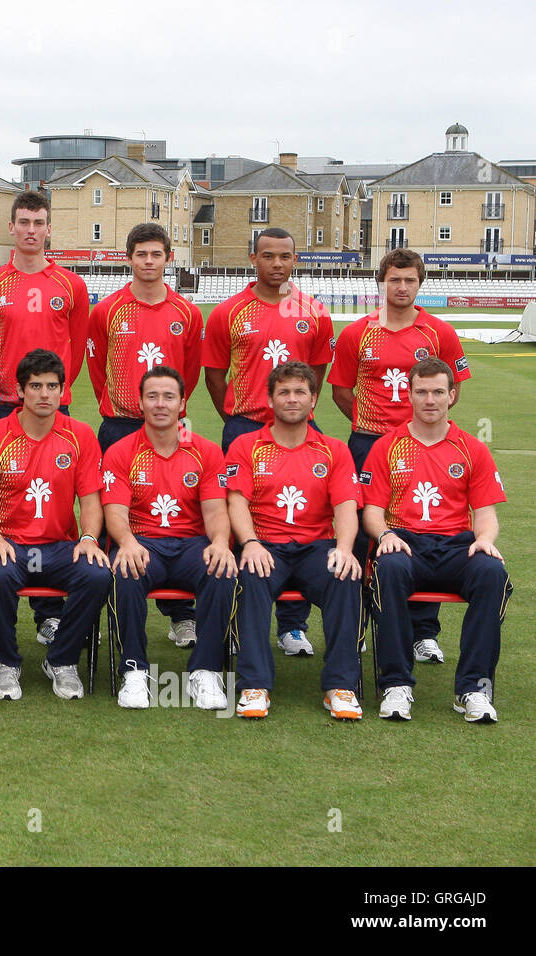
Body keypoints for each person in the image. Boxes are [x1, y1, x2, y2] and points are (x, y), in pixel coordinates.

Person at [329, 248, 472, 664]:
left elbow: (453, 387)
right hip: (368, 441)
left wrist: (421, 428)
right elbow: (341, 389)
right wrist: (371, 425)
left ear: (420, 282)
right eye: (395, 279)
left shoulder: (438, 333)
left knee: (425, 530)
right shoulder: (358, 332)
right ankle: (355, 621)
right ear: (382, 282)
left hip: (423, 446)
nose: (402, 287)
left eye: (410, 279)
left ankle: (422, 632)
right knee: (357, 531)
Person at [203, 227, 335, 657]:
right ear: (252, 257)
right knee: (243, 521)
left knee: (298, 518)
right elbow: (215, 373)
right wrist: (237, 419)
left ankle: (292, 626)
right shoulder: (228, 312)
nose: (277, 263)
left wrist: (294, 413)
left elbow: (315, 372)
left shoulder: (314, 312)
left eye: (285, 256)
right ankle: (243, 618)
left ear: (296, 259)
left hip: (300, 431)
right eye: (268, 256)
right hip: (243, 428)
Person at [363, 358, 508, 723]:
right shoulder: (386, 446)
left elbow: (486, 513)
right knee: (389, 568)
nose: (430, 399)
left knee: (492, 572)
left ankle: (473, 687)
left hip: (456, 545)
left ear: (452, 395)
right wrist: (385, 534)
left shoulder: (472, 448)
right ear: (409, 395)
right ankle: (396, 684)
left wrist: (485, 540)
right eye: (422, 391)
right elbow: (371, 511)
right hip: (405, 542)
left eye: (438, 392)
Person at [0, 191, 89, 645]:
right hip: (2, 403)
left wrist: (49, 395)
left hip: (50, 408)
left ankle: (49, 613)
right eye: (22, 222)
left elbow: (77, 349)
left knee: (52, 504)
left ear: (47, 229)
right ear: (11, 228)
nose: (30, 230)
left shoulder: (71, 286)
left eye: (38, 222)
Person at [224, 361, 363, 720]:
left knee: (344, 575)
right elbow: (236, 501)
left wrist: (344, 550)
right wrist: (250, 542)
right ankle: (255, 685)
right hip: (265, 544)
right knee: (251, 577)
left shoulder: (333, 449)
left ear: (313, 399)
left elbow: (347, 505)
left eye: (300, 391)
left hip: (316, 547)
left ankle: (341, 686)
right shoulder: (245, 445)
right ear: (269, 399)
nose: (292, 398)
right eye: (283, 392)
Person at [87, 223, 204, 649]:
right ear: (130, 258)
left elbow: (188, 372)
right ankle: (101, 607)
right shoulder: (107, 311)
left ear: (168, 258)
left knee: (179, 513)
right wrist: (120, 403)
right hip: (119, 422)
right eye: (141, 254)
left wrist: (172, 408)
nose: (149, 261)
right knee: (106, 513)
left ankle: (182, 616)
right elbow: (97, 368)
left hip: (172, 424)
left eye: (156, 254)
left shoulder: (187, 313)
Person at [0, 349, 110, 701]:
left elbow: (91, 499)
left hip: (60, 547)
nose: (44, 394)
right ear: (19, 391)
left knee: (97, 575)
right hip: (11, 544)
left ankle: (62, 660)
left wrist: (90, 538)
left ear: (63, 392)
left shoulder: (81, 435)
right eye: (35, 386)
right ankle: (6, 661)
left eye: (52, 386)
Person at [102, 365, 235, 711]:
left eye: (168, 396)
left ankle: (205, 670)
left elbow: (216, 513)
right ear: (141, 403)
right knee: (125, 569)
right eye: (152, 396)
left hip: (191, 544)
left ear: (182, 403)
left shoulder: (205, 451)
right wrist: (127, 543)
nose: (160, 404)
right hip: (143, 541)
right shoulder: (120, 451)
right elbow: (115, 512)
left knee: (221, 569)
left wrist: (220, 543)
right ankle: (134, 670)